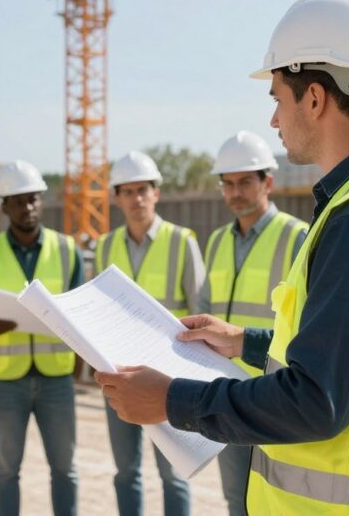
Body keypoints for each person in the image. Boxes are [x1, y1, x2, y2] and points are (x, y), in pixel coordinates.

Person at [96, 0, 349, 515]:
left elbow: (317, 400)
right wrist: (244, 342)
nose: (274, 120)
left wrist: (170, 399)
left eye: (277, 97)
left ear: (314, 98)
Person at [0, 160, 84, 516]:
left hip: (56, 378)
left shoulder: (66, 250)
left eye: (33, 199)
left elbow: (80, 314)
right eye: (19, 201)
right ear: (4, 206)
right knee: (6, 470)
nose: (28, 207)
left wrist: (78, 367)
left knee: (65, 468)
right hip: (6, 380)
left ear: (41, 201)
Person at [198, 130, 307, 516]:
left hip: (278, 396)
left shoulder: (298, 238)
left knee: (282, 504)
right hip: (228, 395)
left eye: (245, 181)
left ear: (268, 182)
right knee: (237, 500)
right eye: (227, 183)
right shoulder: (214, 243)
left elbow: (310, 332)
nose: (235, 192)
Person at [95, 151, 203, 516]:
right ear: (117, 198)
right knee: (126, 473)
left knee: (172, 475)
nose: (136, 198)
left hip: (168, 381)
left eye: (143, 189)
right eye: (128, 191)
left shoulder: (182, 242)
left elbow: (201, 314)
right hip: (118, 376)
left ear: (156, 193)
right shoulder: (105, 248)